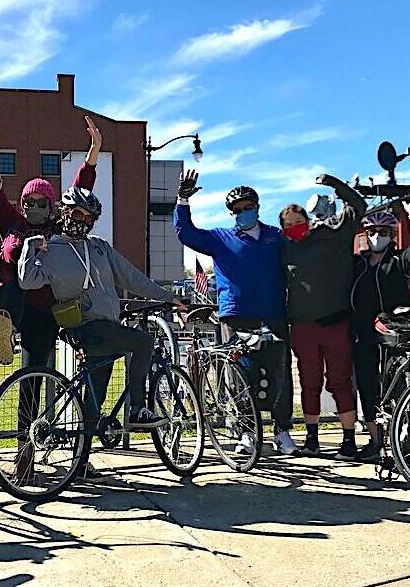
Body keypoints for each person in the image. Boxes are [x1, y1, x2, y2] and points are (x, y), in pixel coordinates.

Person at [18, 187, 186, 479]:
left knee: (94, 399)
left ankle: (80, 464)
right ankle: (137, 410)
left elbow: (131, 277)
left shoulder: (99, 247)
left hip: (107, 328)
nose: (81, 220)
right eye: (77, 213)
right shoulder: (51, 248)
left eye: (89, 216)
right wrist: (30, 249)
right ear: (64, 213)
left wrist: (166, 296)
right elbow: (28, 281)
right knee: (143, 341)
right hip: (85, 326)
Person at [0, 104, 102, 368]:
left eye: (42, 203)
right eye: (29, 202)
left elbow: (79, 192)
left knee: (34, 372)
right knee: (14, 283)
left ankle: (29, 409)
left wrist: (93, 151)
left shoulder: (58, 227)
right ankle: (5, 326)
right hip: (10, 301)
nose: (35, 208)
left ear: (52, 207)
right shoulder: (12, 221)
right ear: (22, 204)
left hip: (43, 310)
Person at [174, 171, 298, 456]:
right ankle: (247, 433)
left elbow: (304, 248)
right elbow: (186, 233)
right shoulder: (220, 238)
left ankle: (282, 432)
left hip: (274, 314)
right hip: (236, 316)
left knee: (279, 374)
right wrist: (183, 199)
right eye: (237, 210)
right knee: (240, 375)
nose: (243, 213)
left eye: (247, 208)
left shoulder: (275, 237)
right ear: (231, 213)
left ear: (257, 206)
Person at [279, 173, 367, 458]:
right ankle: (312, 439)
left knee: (341, 380)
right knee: (309, 382)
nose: (295, 227)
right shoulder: (284, 249)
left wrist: (336, 185)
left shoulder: (332, 233)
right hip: (302, 326)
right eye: (288, 225)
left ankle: (348, 440)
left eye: (298, 221)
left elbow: (358, 207)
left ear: (308, 218)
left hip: (335, 320)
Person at [350, 190, 410, 461]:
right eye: (372, 230)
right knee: (367, 388)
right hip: (362, 335)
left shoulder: (397, 262)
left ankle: (403, 443)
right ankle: (374, 443)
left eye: (383, 231)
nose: (377, 235)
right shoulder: (357, 264)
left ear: (392, 235)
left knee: (396, 389)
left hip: (392, 335)